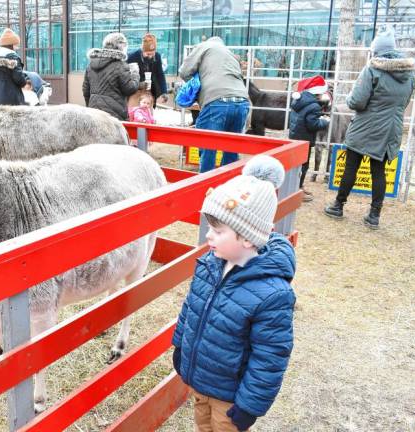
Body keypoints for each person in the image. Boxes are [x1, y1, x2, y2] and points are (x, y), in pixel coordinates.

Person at [172, 155, 296, 432]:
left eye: (217, 231)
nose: (209, 237)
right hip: (201, 379)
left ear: (248, 237)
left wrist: (250, 405)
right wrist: (180, 345)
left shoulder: (272, 294)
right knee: (202, 424)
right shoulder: (209, 266)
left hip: (231, 397)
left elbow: (271, 355)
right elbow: (190, 308)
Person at [324, 26, 415, 229]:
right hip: (391, 129)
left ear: (376, 49)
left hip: (366, 127)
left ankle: (338, 206)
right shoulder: (409, 74)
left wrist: (348, 97)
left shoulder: (372, 69)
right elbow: (405, 102)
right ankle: (374, 216)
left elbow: (357, 102)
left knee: (351, 167)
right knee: (379, 171)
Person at [179, 37, 250, 173]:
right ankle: (228, 186)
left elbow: (184, 72)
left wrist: (197, 84)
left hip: (217, 100)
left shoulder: (204, 46)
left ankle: (206, 188)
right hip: (242, 102)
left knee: (208, 148)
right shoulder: (230, 54)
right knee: (231, 150)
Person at [289, 75, 330, 202]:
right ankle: (297, 190)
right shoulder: (314, 106)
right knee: (304, 165)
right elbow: (313, 124)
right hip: (305, 140)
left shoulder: (299, 100)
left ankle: (297, 187)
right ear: (317, 92)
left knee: (297, 165)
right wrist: (324, 121)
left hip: (295, 136)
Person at [82, 32, 140, 121]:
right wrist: (135, 73)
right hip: (114, 115)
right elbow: (129, 89)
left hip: (93, 112)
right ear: (121, 46)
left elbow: (86, 90)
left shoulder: (91, 65)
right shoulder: (120, 65)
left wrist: (90, 106)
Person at [127, 33, 168, 108]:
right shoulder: (132, 57)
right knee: (134, 114)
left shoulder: (157, 56)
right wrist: (139, 84)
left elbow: (160, 74)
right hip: (135, 92)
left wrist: (164, 91)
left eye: (152, 53)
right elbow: (126, 77)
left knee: (147, 116)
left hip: (149, 92)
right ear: (142, 50)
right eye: (147, 54)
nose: (150, 56)